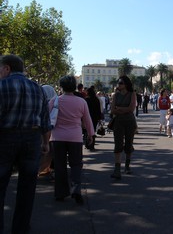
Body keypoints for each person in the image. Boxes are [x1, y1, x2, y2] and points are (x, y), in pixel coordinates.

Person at [0, 55, 51, 234]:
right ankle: (20, 228)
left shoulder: (2, 86)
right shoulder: (37, 88)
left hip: (5, 138)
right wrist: (46, 142)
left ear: (7, 68)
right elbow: (45, 119)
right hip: (32, 138)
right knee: (27, 187)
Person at [50, 75, 94, 204]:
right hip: (75, 137)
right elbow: (87, 119)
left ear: (61, 86)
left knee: (59, 165)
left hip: (57, 137)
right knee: (76, 165)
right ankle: (76, 189)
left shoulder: (55, 100)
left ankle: (60, 193)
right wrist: (91, 134)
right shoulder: (81, 102)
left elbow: (47, 117)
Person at [110, 75, 137, 179]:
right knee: (118, 145)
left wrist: (119, 108)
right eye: (118, 83)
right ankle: (117, 170)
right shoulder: (115, 95)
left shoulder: (132, 94)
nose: (119, 84)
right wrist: (123, 109)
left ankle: (127, 166)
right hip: (118, 122)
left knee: (129, 144)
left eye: (120, 83)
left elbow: (131, 108)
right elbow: (112, 110)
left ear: (126, 84)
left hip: (130, 122)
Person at [85, 87, 102, 151]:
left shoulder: (86, 99)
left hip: (87, 117)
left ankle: (87, 144)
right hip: (94, 117)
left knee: (87, 131)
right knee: (93, 131)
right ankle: (92, 145)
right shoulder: (96, 99)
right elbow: (98, 109)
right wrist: (99, 118)